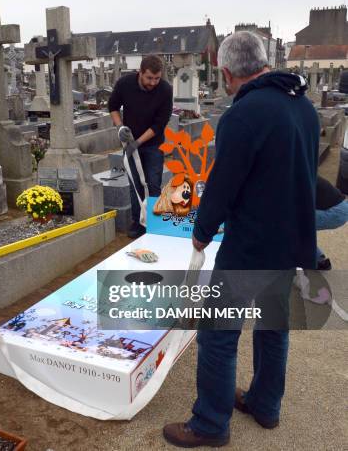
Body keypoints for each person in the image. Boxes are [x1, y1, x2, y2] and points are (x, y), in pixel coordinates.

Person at [163, 31, 319, 447]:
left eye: (224, 79)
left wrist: (201, 231)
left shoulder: (243, 115)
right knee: (272, 327)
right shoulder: (303, 106)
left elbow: (223, 184)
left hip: (250, 245)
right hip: (290, 241)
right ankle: (265, 405)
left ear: (228, 73)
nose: (226, 86)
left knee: (217, 333)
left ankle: (211, 424)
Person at [108, 55, 173, 238]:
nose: (153, 82)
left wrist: (138, 142)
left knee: (152, 183)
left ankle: (153, 223)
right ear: (140, 73)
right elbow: (112, 106)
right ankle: (138, 222)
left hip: (153, 144)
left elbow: (159, 124)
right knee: (134, 185)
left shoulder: (165, 90)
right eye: (149, 78)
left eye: (157, 78)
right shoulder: (125, 84)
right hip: (129, 142)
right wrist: (120, 127)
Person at [314, 175, 347, 270]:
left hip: (335, 212)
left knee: (292, 225)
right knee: (300, 227)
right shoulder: (302, 171)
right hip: (341, 207)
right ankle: (319, 261)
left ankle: (315, 260)